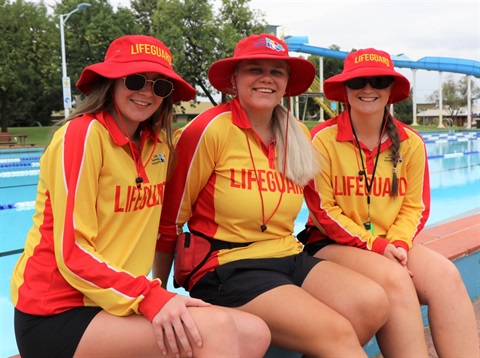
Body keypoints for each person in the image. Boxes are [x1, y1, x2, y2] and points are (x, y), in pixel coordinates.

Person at [10, 34, 271, 358]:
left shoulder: (157, 147)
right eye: (136, 80)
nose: (147, 92)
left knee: (255, 333)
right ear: (112, 82)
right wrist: (150, 298)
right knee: (213, 329)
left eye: (159, 86)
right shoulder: (82, 136)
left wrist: (156, 293)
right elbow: (72, 252)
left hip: (117, 302)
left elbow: (163, 229)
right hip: (58, 309)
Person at [156, 33, 390, 357]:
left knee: (373, 303)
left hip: (286, 255)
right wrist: (156, 293)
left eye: (276, 72)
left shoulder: (296, 134)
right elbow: (169, 221)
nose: (266, 78)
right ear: (234, 80)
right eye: (255, 69)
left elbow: (320, 207)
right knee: (334, 333)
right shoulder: (209, 130)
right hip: (226, 263)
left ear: (286, 83)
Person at [301, 48, 480, 357]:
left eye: (379, 81)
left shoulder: (410, 143)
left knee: (446, 276)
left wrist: (396, 242)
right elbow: (323, 212)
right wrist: (380, 248)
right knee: (395, 280)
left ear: (390, 90)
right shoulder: (322, 140)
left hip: (392, 243)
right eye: (358, 82)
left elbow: (415, 207)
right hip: (331, 243)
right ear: (345, 89)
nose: (368, 89)